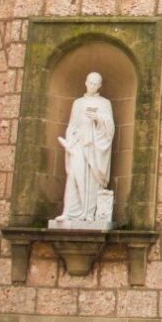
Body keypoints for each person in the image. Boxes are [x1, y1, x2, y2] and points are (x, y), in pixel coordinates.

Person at [54, 71, 115, 222]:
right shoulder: (78, 103)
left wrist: (98, 118)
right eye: (90, 82)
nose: (93, 85)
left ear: (100, 85)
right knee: (74, 176)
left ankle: (89, 213)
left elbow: (110, 127)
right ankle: (71, 212)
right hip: (79, 145)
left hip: (95, 148)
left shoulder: (104, 103)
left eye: (96, 83)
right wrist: (71, 140)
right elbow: (72, 124)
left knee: (93, 179)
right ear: (86, 83)